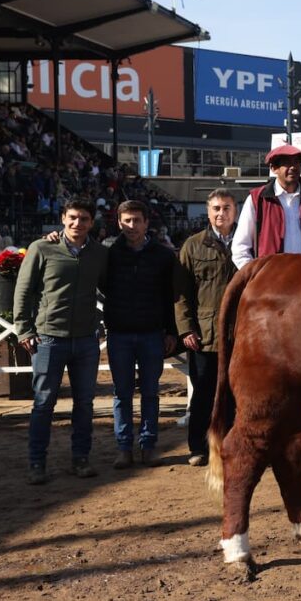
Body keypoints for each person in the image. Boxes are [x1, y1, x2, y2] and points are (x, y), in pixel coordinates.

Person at [14, 198, 108, 484]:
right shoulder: (42, 248)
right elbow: (23, 290)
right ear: (63, 218)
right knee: (43, 403)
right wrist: (24, 330)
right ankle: (36, 462)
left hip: (86, 340)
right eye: (73, 217)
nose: (77, 223)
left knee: (85, 403)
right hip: (48, 339)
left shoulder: (99, 253)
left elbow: (111, 289)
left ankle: (81, 458)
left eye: (84, 219)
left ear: (91, 222)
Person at [104, 200, 178, 469]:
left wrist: (171, 331)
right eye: (126, 220)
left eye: (137, 220)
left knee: (150, 393)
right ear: (119, 222)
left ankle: (148, 446)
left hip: (151, 335)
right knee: (121, 394)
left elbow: (171, 297)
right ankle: (124, 448)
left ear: (147, 223)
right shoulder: (109, 253)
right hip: (119, 334)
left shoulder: (164, 256)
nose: (131, 226)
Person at [174, 189, 238, 467]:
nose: (221, 213)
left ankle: (232, 446)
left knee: (236, 393)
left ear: (235, 211)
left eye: (226, 207)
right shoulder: (193, 246)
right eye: (216, 208)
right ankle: (198, 447)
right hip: (204, 334)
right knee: (203, 392)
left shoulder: (248, 242)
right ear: (208, 212)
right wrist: (186, 329)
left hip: (241, 333)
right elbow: (181, 293)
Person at [231, 144, 301, 268]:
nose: (293, 167)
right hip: (270, 277)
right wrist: (256, 274)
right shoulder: (258, 199)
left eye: (297, 162)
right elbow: (240, 248)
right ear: (274, 168)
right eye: (287, 163)